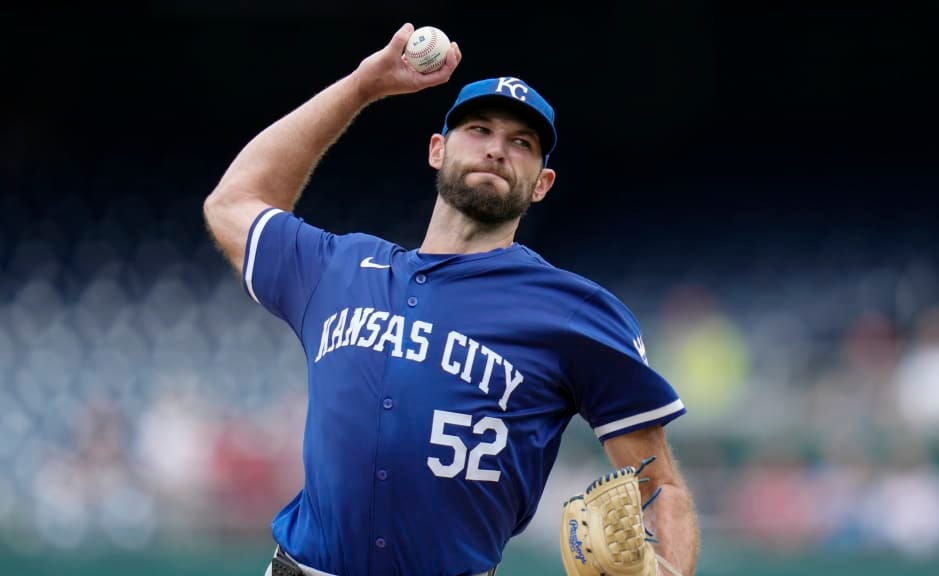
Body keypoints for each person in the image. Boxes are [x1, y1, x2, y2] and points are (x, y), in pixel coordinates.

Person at [203, 22, 700, 576]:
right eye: (478, 129)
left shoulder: (575, 312)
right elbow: (233, 203)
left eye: (522, 143)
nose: (496, 149)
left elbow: (661, 488)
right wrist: (360, 88)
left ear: (542, 183)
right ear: (437, 150)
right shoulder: (339, 269)